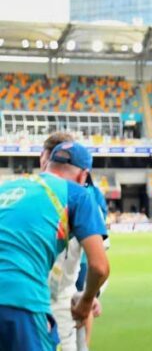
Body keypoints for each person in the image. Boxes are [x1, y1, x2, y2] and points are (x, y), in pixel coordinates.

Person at [0, 141, 109, 351]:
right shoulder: (77, 194)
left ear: (47, 164)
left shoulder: (8, 187)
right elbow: (99, 267)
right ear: (83, 176)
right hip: (20, 299)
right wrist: (86, 301)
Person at [40, 133, 109, 351]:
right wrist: (88, 297)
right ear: (83, 175)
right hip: (40, 294)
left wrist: (87, 295)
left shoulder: (21, 189)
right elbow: (99, 265)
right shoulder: (83, 196)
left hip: (53, 291)